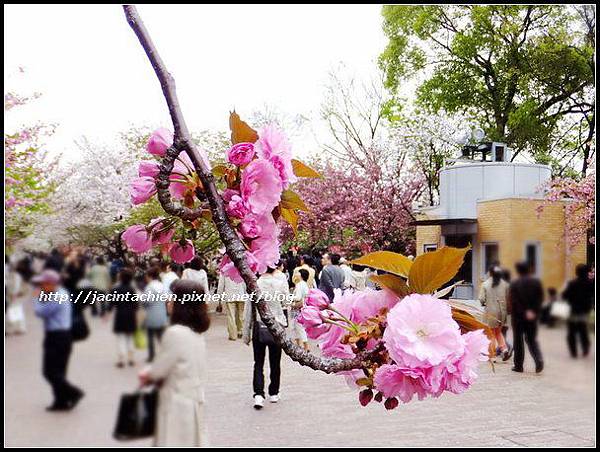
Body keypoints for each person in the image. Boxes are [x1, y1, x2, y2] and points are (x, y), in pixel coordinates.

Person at [139, 279, 210, 447]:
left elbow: (159, 370)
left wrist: (147, 374)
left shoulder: (175, 333)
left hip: (176, 405)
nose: (168, 301)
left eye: (172, 298)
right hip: (194, 401)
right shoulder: (197, 334)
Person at [33, 269, 84, 411]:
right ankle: (60, 401)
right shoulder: (60, 293)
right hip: (60, 336)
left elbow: (41, 312)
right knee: (58, 371)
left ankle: (74, 393)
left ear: (51, 283)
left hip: (58, 336)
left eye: (44, 283)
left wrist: (37, 298)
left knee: (50, 372)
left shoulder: (57, 296)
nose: (41, 286)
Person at [243, 266, 289, 409]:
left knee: (258, 362)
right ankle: (274, 392)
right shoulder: (281, 283)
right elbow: (286, 305)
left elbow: (248, 310)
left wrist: (246, 333)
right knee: (275, 362)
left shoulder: (254, 285)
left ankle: (258, 394)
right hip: (276, 326)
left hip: (259, 326)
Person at [508, 262, 544, 373]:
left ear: (518, 270)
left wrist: (524, 311)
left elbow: (514, 301)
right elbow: (540, 298)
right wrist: (533, 311)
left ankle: (518, 366)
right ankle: (539, 360)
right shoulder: (536, 282)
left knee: (518, 341)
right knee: (531, 339)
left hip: (518, 317)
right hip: (532, 316)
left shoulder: (515, 283)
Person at [479, 266, 511, 361]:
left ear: (490, 273)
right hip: (502, 312)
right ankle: (504, 349)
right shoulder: (505, 284)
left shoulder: (485, 284)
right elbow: (508, 298)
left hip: (490, 312)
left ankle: (492, 355)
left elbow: (481, 299)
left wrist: (484, 303)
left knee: (491, 333)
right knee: (498, 332)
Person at [562, 264, 594, 358]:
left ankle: (574, 352)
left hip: (574, 311)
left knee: (572, 332)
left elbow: (565, 296)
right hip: (584, 311)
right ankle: (585, 349)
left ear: (577, 272)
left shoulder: (572, 283)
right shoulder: (589, 284)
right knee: (583, 330)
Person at [110, 268, 139, 367]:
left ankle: (121, 360)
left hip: (120, 315)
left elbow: (111, 303)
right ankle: (131, 358)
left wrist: (107, 313)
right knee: (130, 337)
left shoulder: (115, 289)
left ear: (121, 278)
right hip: (131, 315)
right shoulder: (132, 290)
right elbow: (136, 305)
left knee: (121, 338)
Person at [143, 266, 169, 362]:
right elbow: (166, 299)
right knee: (161, 336)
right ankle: (166, 354)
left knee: (150, 337)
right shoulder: (161, 285)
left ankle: (151, 356)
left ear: (149, 276)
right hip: (161, 315)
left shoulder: (149, 287)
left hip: (151, 315)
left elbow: (147, 301)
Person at [216, 272, 247, 341]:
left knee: (231, 316)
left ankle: (233, 335)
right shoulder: (241, 267)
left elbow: (221, 284)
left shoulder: (224, 269)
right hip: (241, 294)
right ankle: (240, 331)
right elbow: (245, 282)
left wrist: (219, 297)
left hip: (230, 295)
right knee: (241, 314)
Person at [289, 268, 310, 350]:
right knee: (298, 326)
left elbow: (298, 297)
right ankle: (300, 344)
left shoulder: (299, 285)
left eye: (298, 273)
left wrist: (289, 297)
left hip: (296, 308)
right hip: (302, 308)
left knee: (296, 326)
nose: (296, 274)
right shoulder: (304, 284)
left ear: (301, 275)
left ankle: (303, 345)